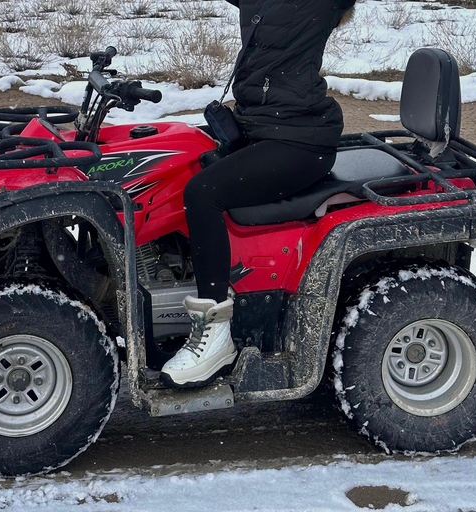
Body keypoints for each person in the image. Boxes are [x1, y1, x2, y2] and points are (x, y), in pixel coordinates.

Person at [160, 0, 357, 388]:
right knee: (180, 163)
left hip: (301, 140)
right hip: (259, 130)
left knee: (203, 192)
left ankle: (215, 333)